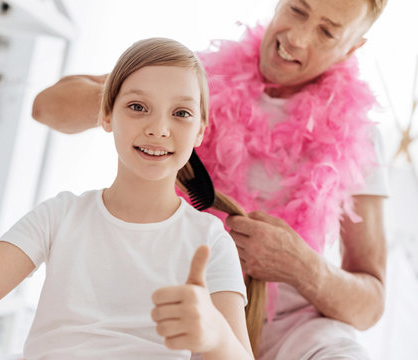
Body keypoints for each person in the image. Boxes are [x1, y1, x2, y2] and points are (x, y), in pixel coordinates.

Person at [31, 0, 389, 359]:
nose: (296, 37)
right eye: (297, 9)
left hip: (298, 333)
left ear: (352, 47)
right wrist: (153, 100)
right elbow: (46, 107)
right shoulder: (198, 82)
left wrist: (304, 267)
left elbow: (369, 306)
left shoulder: (360, 135)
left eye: (327, 32)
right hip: (183, 309)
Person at [0, 38, 254, 360]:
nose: (159, 128)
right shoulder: (60, 216)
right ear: (107, 114)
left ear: (200, 131)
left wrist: (216, 334)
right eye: (138, 107)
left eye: (181, 113)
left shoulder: (210, 241)